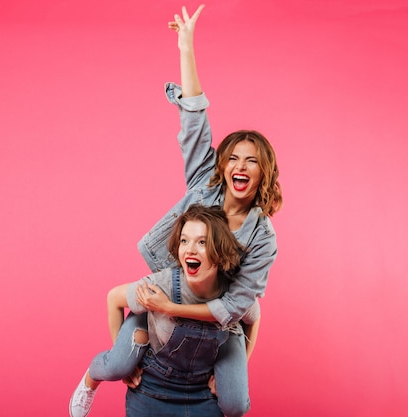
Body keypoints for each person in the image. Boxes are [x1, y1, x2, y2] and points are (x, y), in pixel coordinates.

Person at [69, 4, 282, 417]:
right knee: (123, 360)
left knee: (236, 402)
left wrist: (225, 356)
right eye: (233, 157)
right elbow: (195, 121)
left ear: (263, 173)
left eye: (251, 161)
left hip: (217, 313)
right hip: (171, 291)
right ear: (222, 165)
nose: (239, 165)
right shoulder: (205, 183)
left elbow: (238, 309)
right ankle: (93, 377)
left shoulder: (264, 238)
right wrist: (186, 48)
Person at [81, 204, 257, 417]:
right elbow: (114, 298)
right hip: (155, 382)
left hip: (203, 384)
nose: (190, 249)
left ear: (220, 251)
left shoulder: (235, 294)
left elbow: (254, 318)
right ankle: (92, 377)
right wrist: (123, 357)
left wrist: (237, 368)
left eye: (202, 242)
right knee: (117, 366)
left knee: (236, 406)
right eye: (184, 240)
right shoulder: (163, 284)